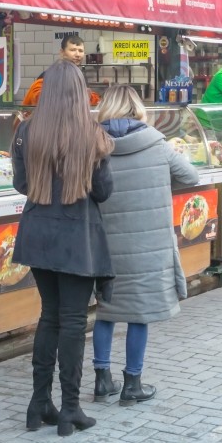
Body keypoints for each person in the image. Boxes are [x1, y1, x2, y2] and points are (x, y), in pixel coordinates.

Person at [11, 61, 115, 436]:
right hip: (77, 239)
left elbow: (22, 184)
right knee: (72, 322)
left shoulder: (25, 131)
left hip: (37, 234)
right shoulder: (93, 134)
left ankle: (39, 403)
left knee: (49, 317)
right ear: (78, 93)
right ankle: (70, 408)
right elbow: (103, 192)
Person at [91, 86, 199, 405]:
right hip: (147, 245)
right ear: (138, 109)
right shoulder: (157, 144)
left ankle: (101, 382)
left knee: (106, 313)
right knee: (139, 314)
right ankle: (132, 385)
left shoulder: (94, 146)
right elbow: (190, 176)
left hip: (105, 245)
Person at [22, 34, 101, 106]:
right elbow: (36, 98)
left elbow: (92, 99)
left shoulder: (80, 76)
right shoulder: (48, 75)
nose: (77, 54)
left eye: (80, 51)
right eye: (73, 50)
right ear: (62, 52)